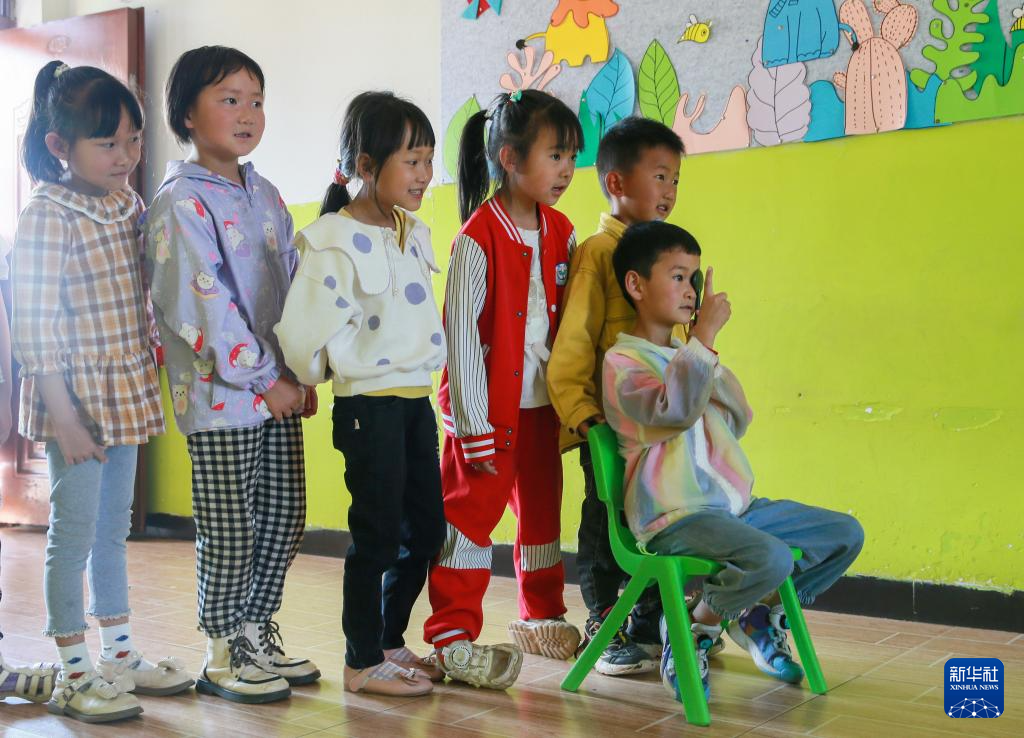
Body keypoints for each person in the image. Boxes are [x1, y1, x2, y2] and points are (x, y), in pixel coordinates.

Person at [603, 221, 864, 702]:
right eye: (677, 276)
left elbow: (739, 417)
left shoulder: (688, 354)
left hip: (733, 509)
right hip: (676, 516)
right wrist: (702, 341)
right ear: (636, 285)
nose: (690, 290)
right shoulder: (623, 364)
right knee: (772, 556)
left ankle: (758, 611)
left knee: (844, 534)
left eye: (694, 278)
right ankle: (697, 627)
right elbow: (675, 412)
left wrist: (700, 348)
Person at [13, 60, 192, 723]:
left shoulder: (127, 204)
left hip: (125, 388)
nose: (126, 156)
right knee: (73, 535)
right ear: (60, 145)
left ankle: (118, 656)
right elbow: (33, 327)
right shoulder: (47, 213)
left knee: (113, 531)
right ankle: (73, 671)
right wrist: (65, 419)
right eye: (108, 143)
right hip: (75, 400)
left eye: (134, 140)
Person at [144, 46, 318, 704]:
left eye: (256, 100)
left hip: (277, 389)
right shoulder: (179, 201)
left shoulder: (265, 193)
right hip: (222, 396)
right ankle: (221, 650)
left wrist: (301, 371)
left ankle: (253, 630)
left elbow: (293, 287)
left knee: (284, 514)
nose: (248, 113)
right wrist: (267, 378)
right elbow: (202, 305)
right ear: (187, 114)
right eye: (229, 99)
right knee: (230, 526)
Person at [276, 91, 446, 697]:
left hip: (415, 402)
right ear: (368, 166)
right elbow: (301, 334)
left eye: (429, 160)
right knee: (375, 535)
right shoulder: (330, 239)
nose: (425, 174)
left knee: (426, 532)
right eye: (412, 161)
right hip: (367, 408)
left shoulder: (413, 231)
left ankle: (390, 641)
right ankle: (360, 662)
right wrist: (313, 377)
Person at [424, 89, 582, 689]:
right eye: (555, 155)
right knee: (469, 523)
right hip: (485, 413)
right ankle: (452, 636)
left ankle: (540, 614)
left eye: (571, 156)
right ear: (511, 159)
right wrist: (472, 425)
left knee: (542, 516)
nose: (566, 169)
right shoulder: (477, 237)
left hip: (542, 410)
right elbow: (460, 340)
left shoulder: (562, 230)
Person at [547, 117, 686, 676]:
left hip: (654, 426)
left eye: (676, 179)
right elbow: (574, 344)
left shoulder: (666, 254)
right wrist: (583, 417)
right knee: (606, 521)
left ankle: (650, 620)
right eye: (660, 176)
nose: (670, 190)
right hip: (606, 425)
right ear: (617, 183)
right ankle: (605, 624)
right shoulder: (598, 253)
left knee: (656, 517)